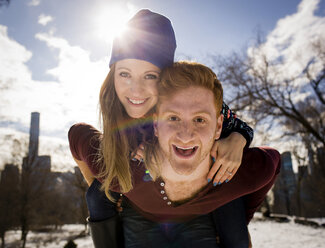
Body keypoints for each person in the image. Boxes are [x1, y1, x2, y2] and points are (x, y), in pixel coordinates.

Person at [68, 9, 257, 248]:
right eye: (125, 73)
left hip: (203, 179)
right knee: (97, 195)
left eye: (150, 76)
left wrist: (237, 140)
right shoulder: (115, 105)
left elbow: (238, 125)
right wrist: (111, 183)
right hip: (141, 188)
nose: (136, 90)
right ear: (113, 75)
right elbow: (82, 141)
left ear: (166, 77)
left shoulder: (185, 99)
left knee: (233, 218)